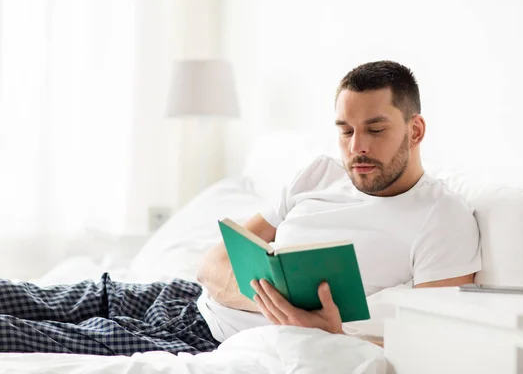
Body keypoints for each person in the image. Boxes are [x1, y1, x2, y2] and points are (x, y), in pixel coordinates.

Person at [0, 60, 480, 355]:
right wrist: (261, 298)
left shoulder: (442, 219)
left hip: (205, 341)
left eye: (375, 130)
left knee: (22, 336)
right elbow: (214, 258)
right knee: (33, 297)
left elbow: (437, 350)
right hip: (182, 296)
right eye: (344, 130)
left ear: (415, 131)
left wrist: (332, 335)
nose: (357, 147)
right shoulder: (319, 173)